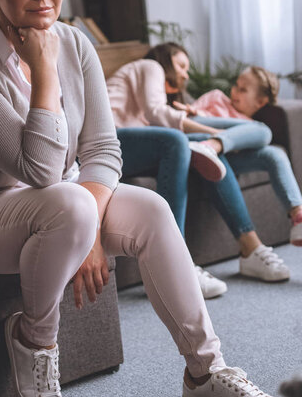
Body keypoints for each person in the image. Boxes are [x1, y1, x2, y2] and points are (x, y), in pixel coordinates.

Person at [0, 0, 285, 397]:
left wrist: (87, 226)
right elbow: (42, 168)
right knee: (69, 203)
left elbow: (101, 150)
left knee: (152, 210)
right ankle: (36, 337)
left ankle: (206, 373)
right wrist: (43, 70)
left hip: (60, 204)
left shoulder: (75, 43)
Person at [107, 44, 294, 294]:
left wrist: (213, 141)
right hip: (110, 140)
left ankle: (251, 247)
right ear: (166, 58)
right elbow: (157, 113)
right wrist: (218, 134)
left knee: (231, 146)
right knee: (180, 142)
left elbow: (157, 118)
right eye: (181, 65)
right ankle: (176, 264)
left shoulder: (156, 104)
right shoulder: (150, 67)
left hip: (143, 144)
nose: (185, 75)